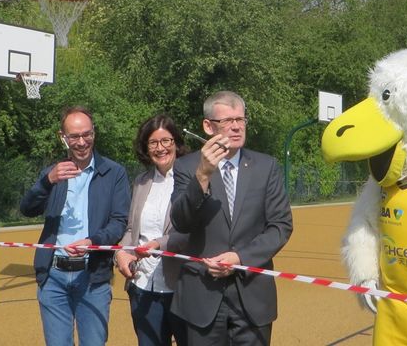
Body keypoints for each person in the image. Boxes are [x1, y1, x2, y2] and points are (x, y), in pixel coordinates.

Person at [170, 90, 293, 345]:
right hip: (202, 296)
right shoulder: (186, 167)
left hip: (252, 297)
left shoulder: (266, 166)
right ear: (208, 126)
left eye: (241, 119)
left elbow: (280, 226)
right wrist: (202, 176)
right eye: (227, 121)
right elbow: (181, 222)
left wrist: (240, 257)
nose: (236, 127)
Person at [20, 106, 131, 346]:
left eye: (87, 134)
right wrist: (47, 181)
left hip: (92, 277)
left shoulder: (114, 173)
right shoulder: (53, 172)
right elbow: (27, 209)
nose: (81, 142)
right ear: (64, 137)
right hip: (53, 277)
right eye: (74, 136)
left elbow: (119, 222)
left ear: (94, 134)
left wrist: (93, 242)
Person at [115, 115, 188, 346]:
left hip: (181, 286)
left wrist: (160, 243)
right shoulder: (141, 182)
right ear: (146, 148)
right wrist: (121, 253)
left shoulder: (193, 180)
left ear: (176, 142)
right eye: (153, 143)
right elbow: (131, 229)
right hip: (143, 285)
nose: (160, 148)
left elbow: (194, 231)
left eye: (166, 140)